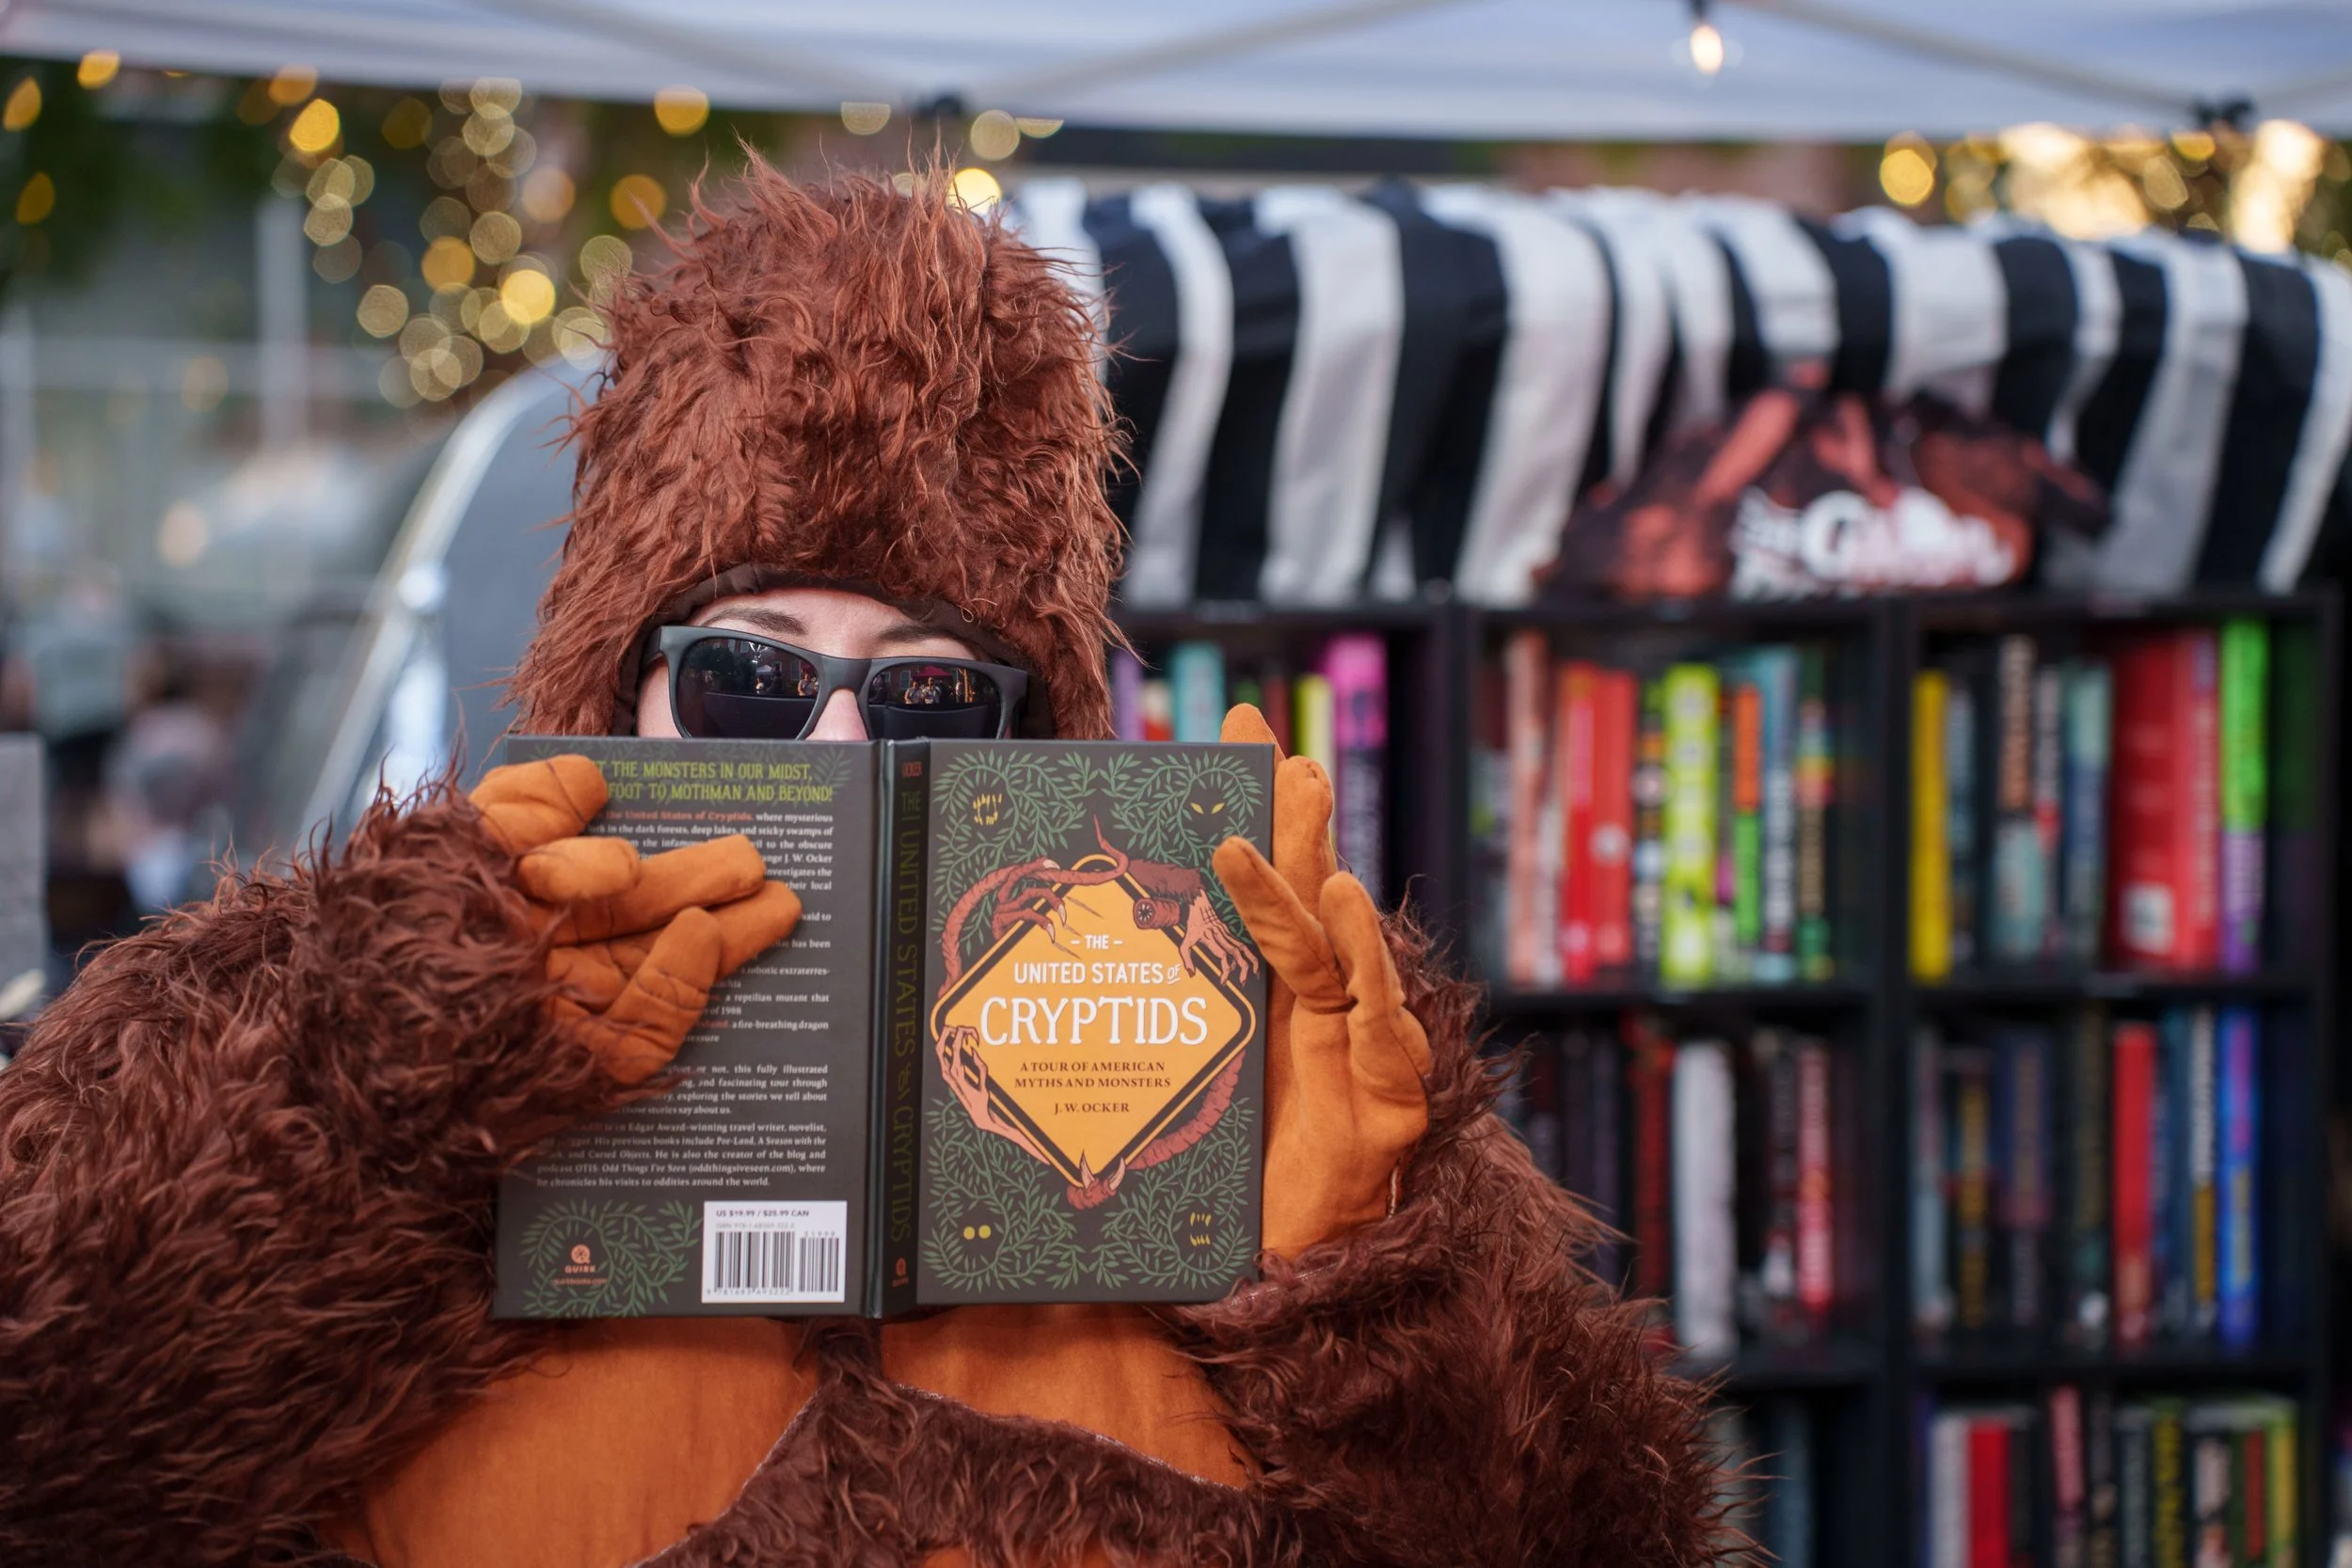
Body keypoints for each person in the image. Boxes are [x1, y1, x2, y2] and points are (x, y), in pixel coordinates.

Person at [0, 164, 1734, 1567]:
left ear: (1029, 751)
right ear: (622, 700)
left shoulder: (1250, 1098)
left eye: (925, 697)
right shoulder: (396, 1092)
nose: (832, 754)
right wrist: (358, 1067)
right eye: (750, 677)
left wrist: (1387, 1286)